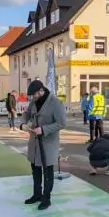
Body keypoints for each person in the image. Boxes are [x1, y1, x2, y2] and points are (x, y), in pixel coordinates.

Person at [20, 80, 66, 210]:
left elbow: (61, 123)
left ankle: (46, 199)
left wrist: (44, 129)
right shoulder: (34, 101)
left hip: (48, 143)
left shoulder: (55, 102)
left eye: (34, 94)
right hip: (35, 142)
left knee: (47, 172)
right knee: (35, 169)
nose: (32, 97)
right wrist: (23, 123)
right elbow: (27, 113)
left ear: (41, 90)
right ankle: (37, 194)